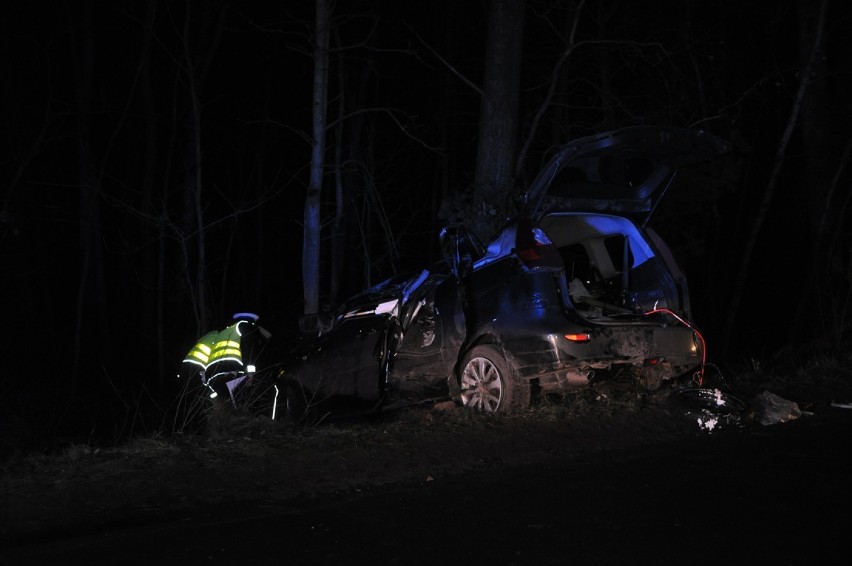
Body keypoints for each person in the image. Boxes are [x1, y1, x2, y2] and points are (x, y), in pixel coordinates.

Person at [181, 312, 265, 407]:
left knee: (227, 407)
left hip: (212, 378)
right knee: (268, 389)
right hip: (232, 373)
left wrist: (209, 390)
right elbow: (249, 349)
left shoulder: (217, 335)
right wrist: (250, 373)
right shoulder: (245, 326)